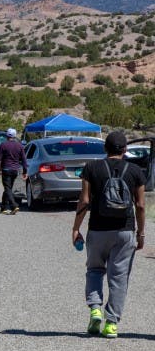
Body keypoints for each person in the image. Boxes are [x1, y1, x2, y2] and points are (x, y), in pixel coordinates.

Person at [72, 130, 146, 338]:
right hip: (124, 231)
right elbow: (140, 206)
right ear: (125, 150)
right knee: (119, 277)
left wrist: (76, 227)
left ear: (105, 149)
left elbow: (84, 201)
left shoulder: (91, 168)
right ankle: (111, 323)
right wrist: (141, 234)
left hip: (97, 229)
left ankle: (95, 308)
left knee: (95, 270)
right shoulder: (135, 171)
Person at [0, 128, 27, 214]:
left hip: (6, 169)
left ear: (7, 135)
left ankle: (14, 205)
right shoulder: (19, 145)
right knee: (8, 189)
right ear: (15, 136)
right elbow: (24, 159)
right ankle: (3, 208)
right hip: (15, 170)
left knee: (7, 188)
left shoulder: (3, 145)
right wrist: (25, 171)